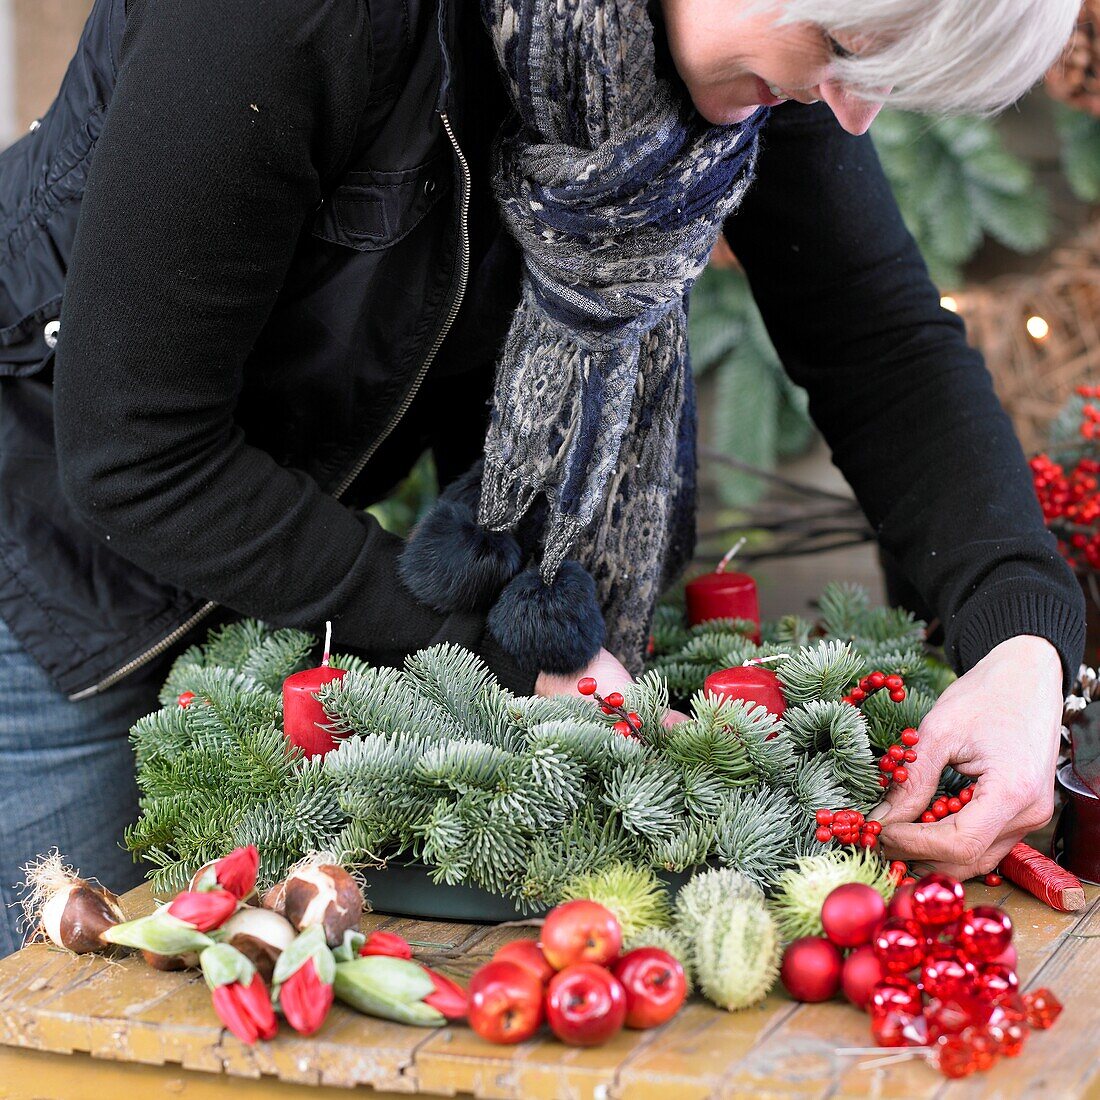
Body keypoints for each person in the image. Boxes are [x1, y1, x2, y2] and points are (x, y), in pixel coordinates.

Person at [0, 0, 1082, 955]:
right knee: (77, 1006)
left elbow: (879, 341)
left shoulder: (741, 62)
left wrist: (1021, 636)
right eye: (845, 52)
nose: (846, 114)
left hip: (256, 534)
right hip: (45, 557)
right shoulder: (294, 14)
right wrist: (496, 653)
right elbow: (136, 449)